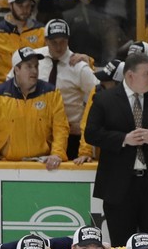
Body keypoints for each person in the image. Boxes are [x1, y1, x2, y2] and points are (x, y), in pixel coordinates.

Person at [85, 50, 148, 246]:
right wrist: (123, 139)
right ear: (130, 75)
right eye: (147, 73)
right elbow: (91, 134)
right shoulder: (104, 99)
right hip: (118, 185)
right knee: (121, 247)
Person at [0, 47, 68, 173]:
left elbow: (61, 127)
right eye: (29, 66)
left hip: (42, 166)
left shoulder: (52, 93)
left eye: (36, 66)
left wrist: (57, 153)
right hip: (5, 166)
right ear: (16, 69)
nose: (34, 71)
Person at [17, 20, 99, 161]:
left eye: (63, 41)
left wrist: (87, 128)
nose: (59, 47)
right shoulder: (33, 59)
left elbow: (99, 95)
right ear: (46, 40)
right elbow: (12, 85)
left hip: (71, 136)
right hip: (36, 134)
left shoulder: (79, 66)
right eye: (54, 42)